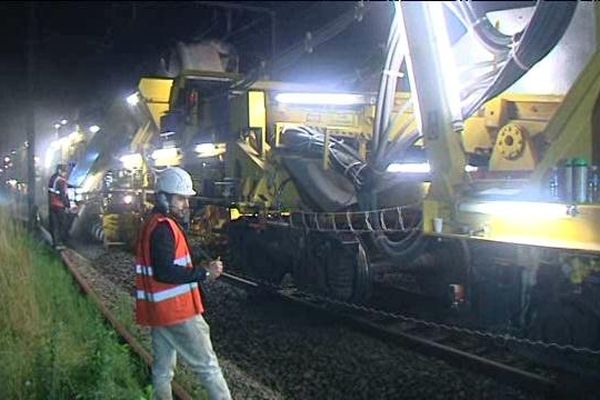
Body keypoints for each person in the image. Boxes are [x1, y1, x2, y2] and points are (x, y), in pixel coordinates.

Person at [135, 167, 232, 400]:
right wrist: (204, 274)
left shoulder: (155, 223)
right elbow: (165, 271)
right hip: (178, 312)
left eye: (186, 199)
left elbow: (170, 260)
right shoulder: (163, 228)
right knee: (208, 367)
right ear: (163, 197)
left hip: (161, 312)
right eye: (180, 198)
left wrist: (200, 260)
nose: (185, 205)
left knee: (162, 370)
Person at [47, 163, 70, 250]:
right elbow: (63, 195)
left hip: (52, 205)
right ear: (59, 171)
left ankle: (55, 243)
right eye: (64, 171)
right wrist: (68, 205)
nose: (65, 174)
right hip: (59, 205)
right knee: (63, 224)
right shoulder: (61, 181)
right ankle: (60, 243)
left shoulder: (53, 179)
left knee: (54, 225)